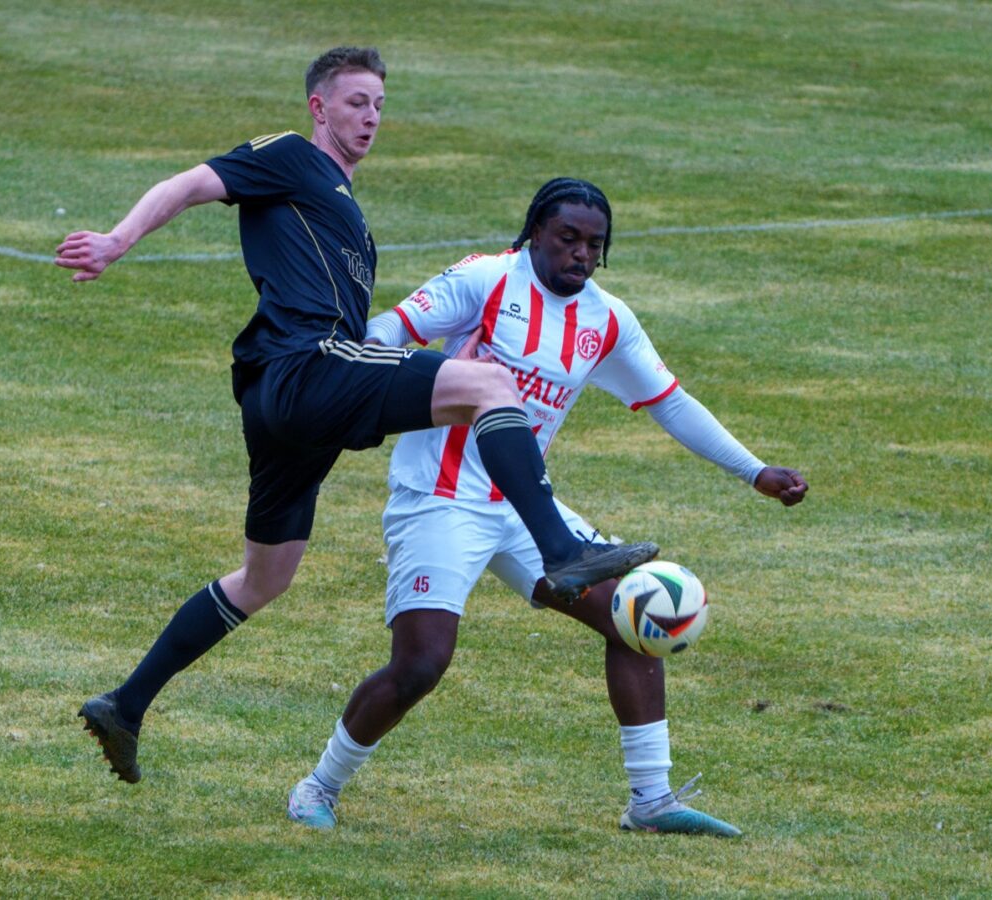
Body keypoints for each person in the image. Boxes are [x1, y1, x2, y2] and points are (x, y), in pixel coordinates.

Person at [55, 50, 657, 785]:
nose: (370, 118)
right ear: (318, 108)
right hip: (308, 366)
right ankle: (560, 550)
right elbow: (191, 184)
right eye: (355, 102)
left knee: (263, 578)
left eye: (378, 105)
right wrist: (117, 241)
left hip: (288, 406)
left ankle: (125, 705)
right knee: (491, 384)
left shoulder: (344, 209)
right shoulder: (291, 156)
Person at [287, 177, 808, 835]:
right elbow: (382, 332)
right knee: (421, 663)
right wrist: (425, 373)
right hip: (438, 501)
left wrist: (754, 471)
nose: (581, 254)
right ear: (535, 231)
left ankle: (651, 801)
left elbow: (671, 402)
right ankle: (318, 786)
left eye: (595, 244)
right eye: (567, 238)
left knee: (635, 612)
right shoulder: (483, 281)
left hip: (527, 509)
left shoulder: (607, 320)